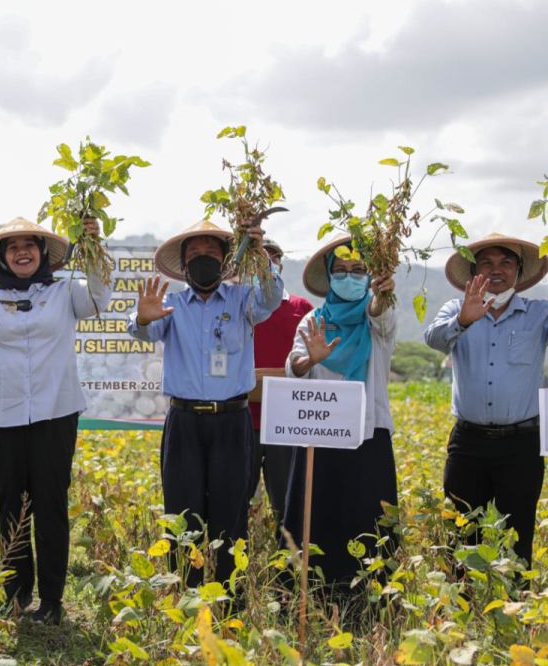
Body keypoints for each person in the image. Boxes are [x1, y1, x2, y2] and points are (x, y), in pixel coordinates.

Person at [0, 213, 109, 624]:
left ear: (43, 254)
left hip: (56, 411)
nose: (21, 252)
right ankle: (15, 596)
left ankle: (52, 600)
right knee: (11, 506)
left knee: (51, 503)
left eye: (29, 246)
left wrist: (93, 248)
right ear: (0, 258)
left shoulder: (67, 293)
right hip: (2, 414)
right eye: (12, 247)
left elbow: (101, 296)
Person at [425, 232, 548, 569]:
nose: (497, 270)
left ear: (519, 272)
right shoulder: (455, 309)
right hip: (468, 442)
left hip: (521, 444)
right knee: (460, 535)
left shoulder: (539, 314)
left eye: (506, 262)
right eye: (487, 263)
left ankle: (517, 609)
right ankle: (463, 613)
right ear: (474, 272)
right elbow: (433, 339)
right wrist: (464, 319)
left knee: (518, 535)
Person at [129, 220, 283, 587]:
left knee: (231, 512)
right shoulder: (170, 304)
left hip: (232, 421)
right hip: (184, 421)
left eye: (211, 254)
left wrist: (260, 254)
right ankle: (188, 592)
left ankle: (231, 597)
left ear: (226, 261)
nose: (203, 260)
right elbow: (144, 328)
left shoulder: (243, 299)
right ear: (183, 266)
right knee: (183, 512)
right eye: (195, 255)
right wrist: (141, 317)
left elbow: (272, 296)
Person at [282, 237, 397, 608]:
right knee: (318, 520)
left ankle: (370, 605)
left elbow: (383, 315)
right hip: (320, 434)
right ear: (330, 277)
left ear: (369, 277)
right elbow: (294, 366)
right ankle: (313, 601)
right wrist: (310, 360)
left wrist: (382, 294)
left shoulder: (374, 319)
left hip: (368, 435)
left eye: (358, 270)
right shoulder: (314, 320)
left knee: (368, 522)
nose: (349, 277)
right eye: (341, 271)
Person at [249, 239, 313, 520]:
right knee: (237, 495)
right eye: (257, 258)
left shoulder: (301, 306)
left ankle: (287, 558)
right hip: (243, 418)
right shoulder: (239, 306)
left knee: (286, 501)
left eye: (271, 258)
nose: (265, 263)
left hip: (286, 422)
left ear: (280, 266)